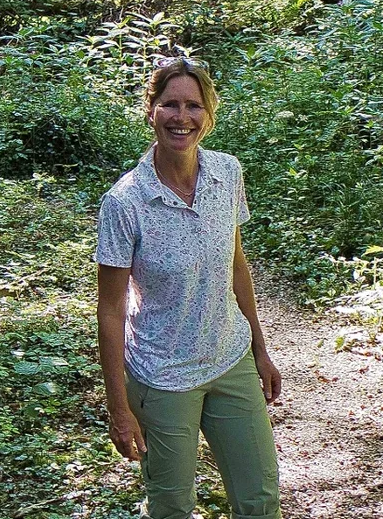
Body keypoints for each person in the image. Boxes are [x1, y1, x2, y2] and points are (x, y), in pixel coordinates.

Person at [95, 57, 283, 519]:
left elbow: (235, 265)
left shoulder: (227, 174)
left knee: (259, 499)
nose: (183, 117)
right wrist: (119, 408)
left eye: (194, 105)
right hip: (161, 378)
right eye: (170, 104)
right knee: (173, 507)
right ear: (151, 110)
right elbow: (110, 311)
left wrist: (260, 349)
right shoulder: (125, 202)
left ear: (208, 114)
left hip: (229, 359)